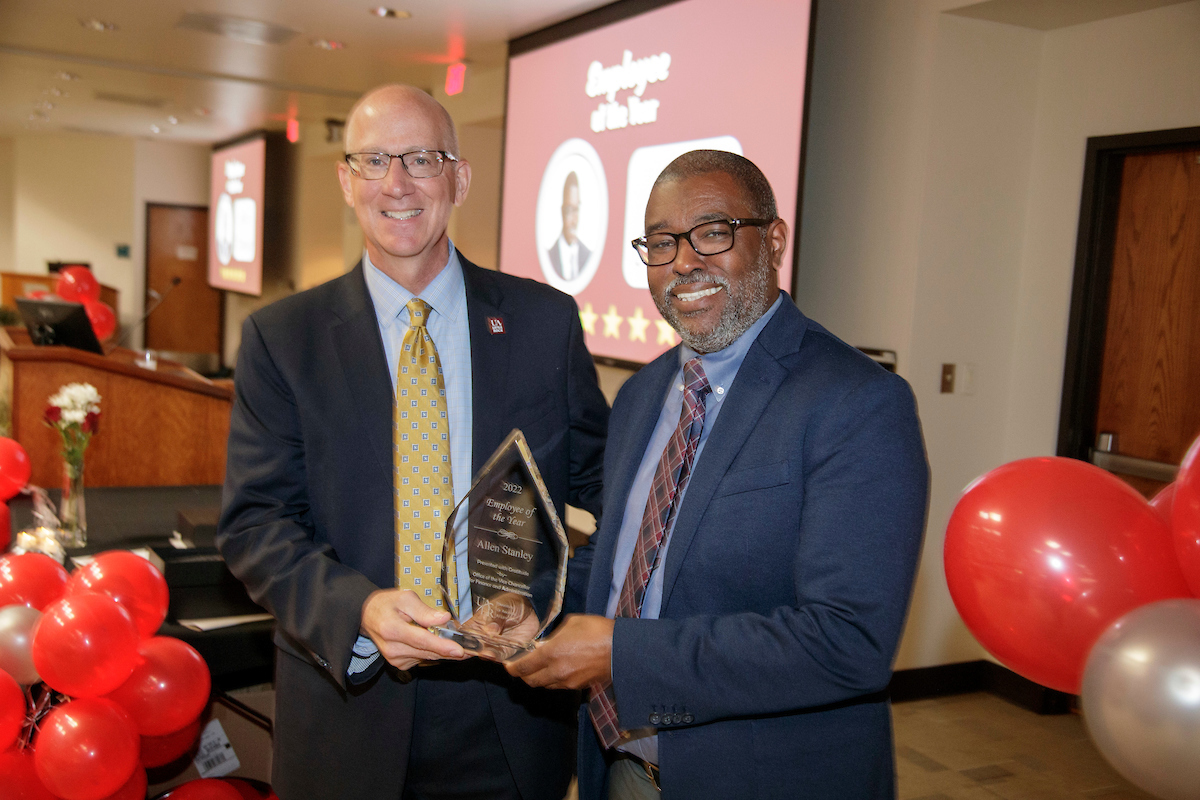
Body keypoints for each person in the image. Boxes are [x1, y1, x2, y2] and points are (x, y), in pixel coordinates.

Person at [217, 84, 609, 800]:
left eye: (421, 159)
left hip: (510, 715)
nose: (395, 183)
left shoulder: (543, 324)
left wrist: (550, 603)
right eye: (373, 161)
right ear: (346, 181)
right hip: (348, 701)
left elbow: (611, 497)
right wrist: (359, 610)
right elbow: (255, 525)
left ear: (458, 178)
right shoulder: (283, 340)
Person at [507, 150, 929, 799]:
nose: (683, 261)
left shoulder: (856, 402)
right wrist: (536, 606)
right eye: (660, 242)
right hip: (619, 767)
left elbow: (847, 640)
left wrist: (620, 654)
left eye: (712, 232)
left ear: (775, 239)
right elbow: (630, 569)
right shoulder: (643, 394)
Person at [546, 171, 591, 281]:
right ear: (562, 212)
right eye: (569, 210)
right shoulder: (550, 256)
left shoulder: (587, 256)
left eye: (576, 210)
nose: (573, 220)